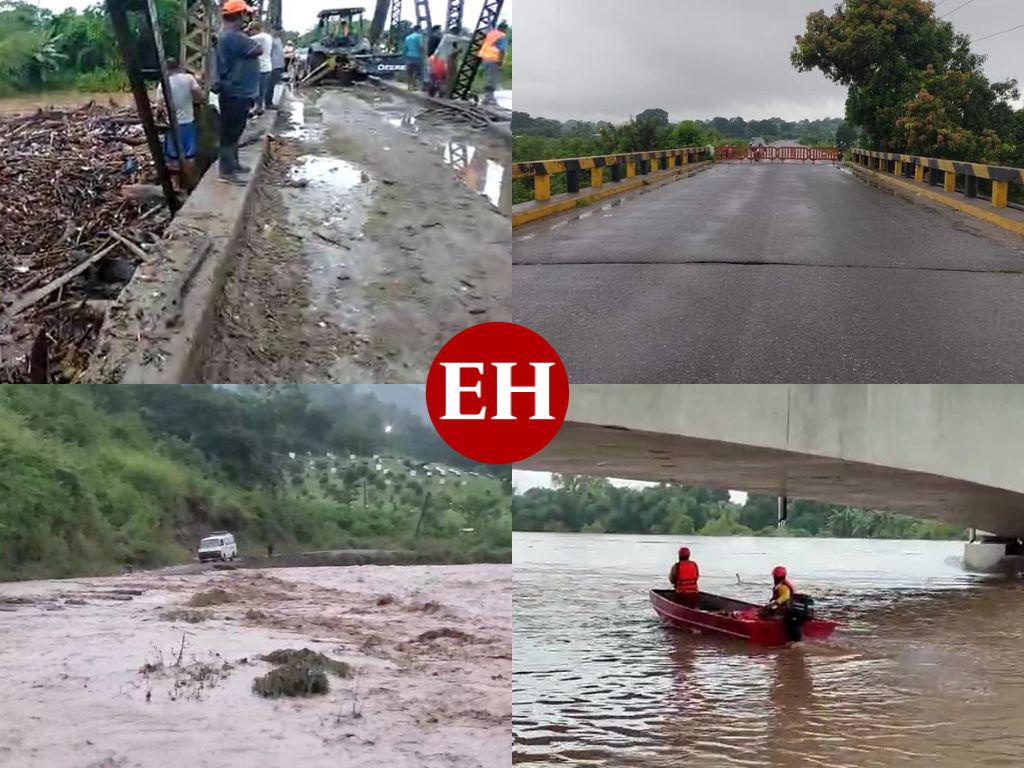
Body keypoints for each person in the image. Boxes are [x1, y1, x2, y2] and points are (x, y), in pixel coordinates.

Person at [216, 0, 261, 185]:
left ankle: (233, 164)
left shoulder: (229, 35)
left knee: (234, 132)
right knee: (230, 134)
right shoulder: (233, 36)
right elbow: (258, 48)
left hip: (236, 91)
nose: (247, 19)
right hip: (236, 92)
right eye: (246, 15)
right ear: (240, 15)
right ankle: (226, 171)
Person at [160, 57, 203, 190]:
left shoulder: (163, 82)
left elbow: (159, 105)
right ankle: (191, 184)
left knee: (172, 157)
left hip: (172, 125)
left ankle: (176, 185)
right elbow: (199, 95)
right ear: (179, 66)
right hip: (188, 122)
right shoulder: (188, 78)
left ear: (166, 69)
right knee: (190, 155)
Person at [478, 20, 507, 106]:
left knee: (488, 77)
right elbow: (502, 50)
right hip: (493, 58)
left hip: (485, 58)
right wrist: (500, 62)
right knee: (492, 79)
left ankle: (488, 98)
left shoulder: (491, 34)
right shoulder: (502, 36)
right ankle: (489, 99)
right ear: (503, 29)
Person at [250, 22, 274, 116]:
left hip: (261, 67)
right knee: (262, 90)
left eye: (251, 31)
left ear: (255, 29)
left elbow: (245, 40)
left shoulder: (260, 37)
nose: (250, 33)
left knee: (257, 89)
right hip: (267, 66)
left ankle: (258, 108)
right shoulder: (268, 37)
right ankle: (260, 107)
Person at [267, 30, 285, 110]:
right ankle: (268, 103)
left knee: (273, 84)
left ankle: (269, 102)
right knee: (270, 85)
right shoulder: (271, 40)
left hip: (278, 65)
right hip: (273, 65)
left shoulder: (278, 40)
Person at [403, 25, 424, 91]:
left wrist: (404, 55)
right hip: (417, 56)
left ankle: (408, 86)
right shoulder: (419, 36)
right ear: (418, 29)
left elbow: (405, 48)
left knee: (409, 72)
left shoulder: (408, 37)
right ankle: (413, 86)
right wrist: (423, 53)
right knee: (415, 71)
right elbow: (421, 46)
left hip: (409, 55)